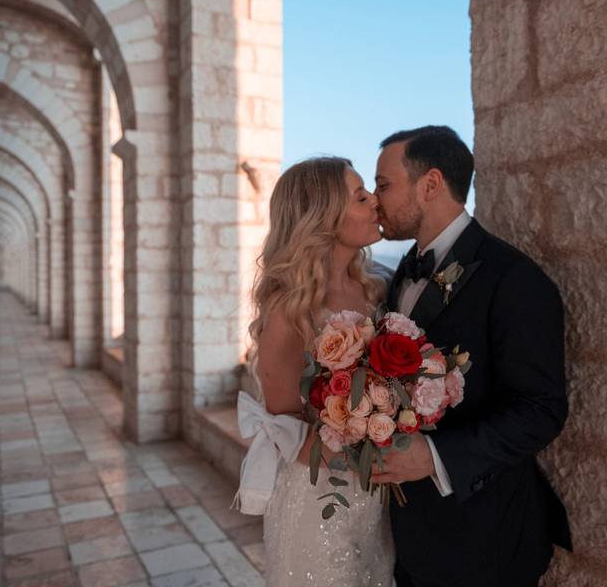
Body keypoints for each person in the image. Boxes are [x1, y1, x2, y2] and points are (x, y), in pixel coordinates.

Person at [369, 126, 572, 586]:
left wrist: (435, 457)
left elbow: (541, 411)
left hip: (485, 540)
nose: (374, 197)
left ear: (431, 184)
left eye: (383, 185)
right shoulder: (402, 271)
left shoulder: (514, 279)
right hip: (411, 538)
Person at [238, 157, 396, 587]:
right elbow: (286, 431)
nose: (374, 202)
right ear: (323, 215)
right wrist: (373, 454)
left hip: (376, 498)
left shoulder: (378, 285)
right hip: (318, 499)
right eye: (360, 195)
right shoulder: (289, 309)